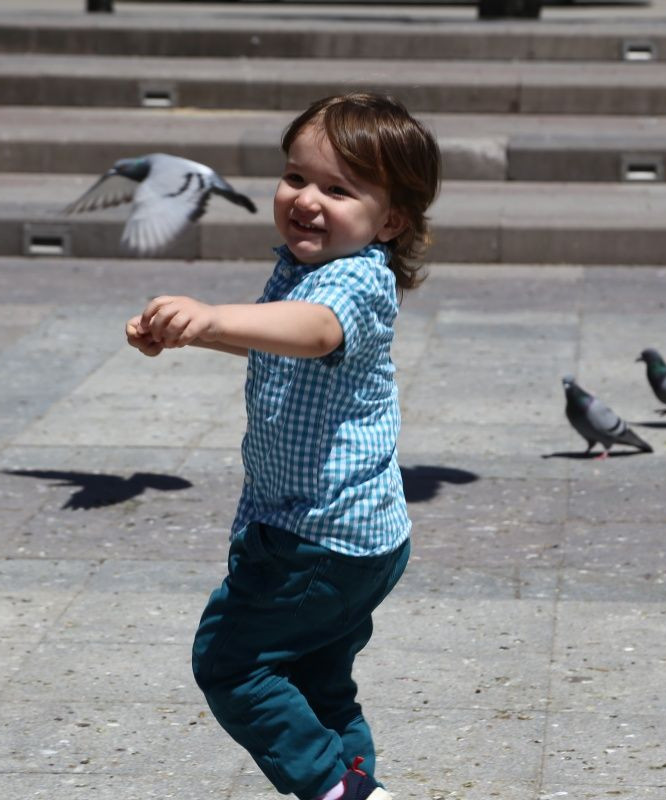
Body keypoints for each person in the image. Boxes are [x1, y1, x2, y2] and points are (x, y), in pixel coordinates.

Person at [125, 92, 441, 800]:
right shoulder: (308, 267)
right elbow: (278, 337)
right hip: (352, 534)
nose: (306, 200)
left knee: (232, 663)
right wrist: (191, 333)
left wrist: (208, 319)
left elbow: (312, 331)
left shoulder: (355, 278)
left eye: (338, 188)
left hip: (317, 539)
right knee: (314, 682)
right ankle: (359, 786)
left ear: (390, 220)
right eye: (296, 176)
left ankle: (338, 792)